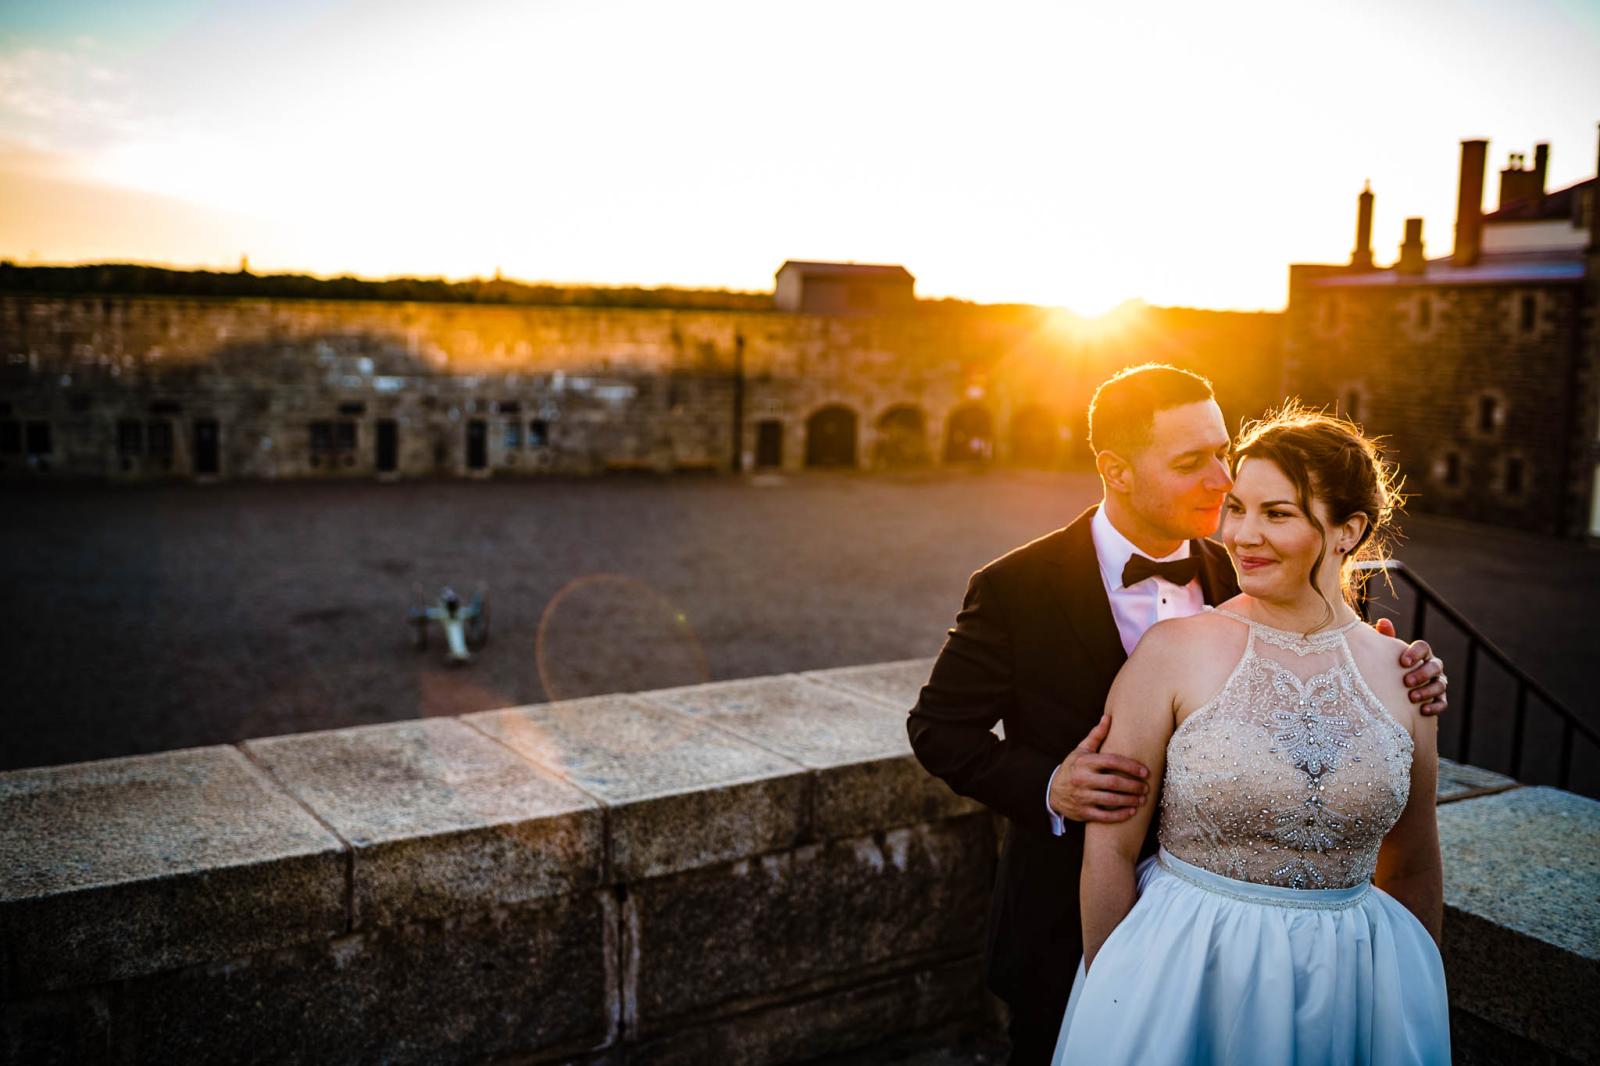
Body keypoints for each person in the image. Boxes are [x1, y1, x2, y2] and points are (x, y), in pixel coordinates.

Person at [906, 364, 1448, 1065]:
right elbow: (938, 730)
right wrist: (1051, 787)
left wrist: (1405, 679)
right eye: (1193, 462)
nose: (1223, 482)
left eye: (1222, 452)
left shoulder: (1259, 564)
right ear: (1118, 470)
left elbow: (1334, 676)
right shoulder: (1014, 587)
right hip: (1067, 914)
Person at [1051, 402, 1450, 1064]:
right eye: (1236, 507)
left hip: (1354, 983)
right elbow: (1110, 852)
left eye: (1278, 513)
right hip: (1183, 970)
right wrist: (1113, 995)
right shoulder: (1172, 651)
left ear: (1348, 530)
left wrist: (1416, 997)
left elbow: (1413, 861)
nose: (1240, 533)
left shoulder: (1403, 674)